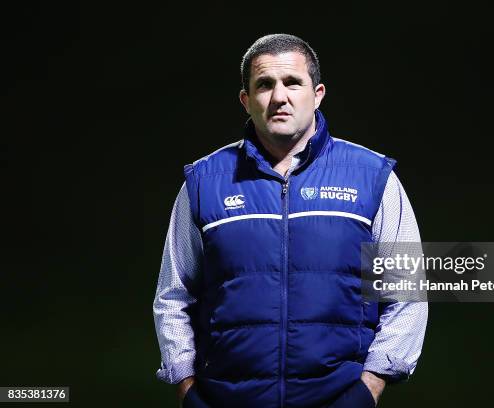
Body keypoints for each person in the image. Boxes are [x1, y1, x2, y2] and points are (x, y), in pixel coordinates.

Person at [153, 33, 428, 408]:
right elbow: (173, 296)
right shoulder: (204, 182)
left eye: (292, 83)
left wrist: (369, 388)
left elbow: (407, 293)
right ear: (246, 101)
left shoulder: (373, 177)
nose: (279, 97)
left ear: (317, 94)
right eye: (264, 85)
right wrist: (188, 391)